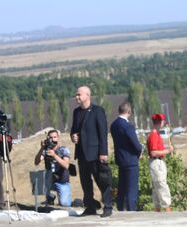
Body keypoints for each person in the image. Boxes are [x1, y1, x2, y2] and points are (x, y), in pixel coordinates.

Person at [70, 86, 113, 217]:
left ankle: (108, 206)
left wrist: (103, 153)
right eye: (76, 95)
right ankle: (90, 206)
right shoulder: (76, 112)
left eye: (79, 94)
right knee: (85, 182)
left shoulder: (97, 111)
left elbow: (102, 133)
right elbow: (74, 130)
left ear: (87, 95)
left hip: (95, 153)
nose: (76, 97)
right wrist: (73, 136)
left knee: (101, 180)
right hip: (82, 153)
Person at [110, 102, 142, 211]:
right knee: (131, 189)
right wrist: (140, 151)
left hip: (120, 159)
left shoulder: (113, 125)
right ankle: (131, 210)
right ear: (129, 112)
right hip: (131, 160)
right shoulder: (128, 126)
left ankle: (120, 208)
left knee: (122, 188)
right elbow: (136, 144)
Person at [34, 129, 71, 207]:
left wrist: (54, 155)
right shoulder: (46, 150)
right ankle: (50, 197)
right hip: (50, 180)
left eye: (55, 137)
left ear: (58, 138)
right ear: (48, 138)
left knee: (65, 204)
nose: (53, 139)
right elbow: (36, 162)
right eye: (51, 137)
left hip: (62, 181)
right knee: (38, 177)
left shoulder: (63, 150)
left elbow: (66, 165)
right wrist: (41, 148)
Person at [147, 113, 173, 212]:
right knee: (161, 184)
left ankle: (158, 208)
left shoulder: (156, 134)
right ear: (160, 122)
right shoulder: (154, 135)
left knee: (157, 186)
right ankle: (167, 208)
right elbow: (153, 152)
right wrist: (167, 151)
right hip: (156, 162)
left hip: (158, 161)